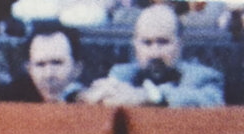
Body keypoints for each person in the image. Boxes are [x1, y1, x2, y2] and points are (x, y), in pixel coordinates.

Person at [79, 3, 225, 106]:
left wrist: (150, 96)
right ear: (135, 45)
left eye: (163, 42)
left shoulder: (203, 77)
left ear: (180, 44)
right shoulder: (122, 74)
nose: (155, 53)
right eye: (147, 43)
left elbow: (211, 101)